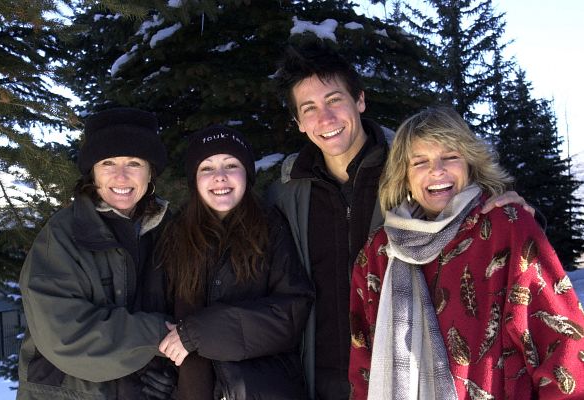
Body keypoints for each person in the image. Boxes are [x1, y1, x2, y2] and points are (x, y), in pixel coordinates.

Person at [268, 41, 535, 400]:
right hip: (320, 378)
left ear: (359, 100)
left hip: (413, 372)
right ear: (299, 123)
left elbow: (474, 214)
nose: (326, 119)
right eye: (309, 108)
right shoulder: (286, 195)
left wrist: (521, 214)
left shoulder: (415, 169)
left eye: (334, 100)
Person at [348, 106, 584, 399]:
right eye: (420, 162)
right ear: (403, 175)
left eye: (450, 157)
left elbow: (564, 346)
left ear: (471, 164)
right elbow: (363, 363)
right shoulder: (378, 253)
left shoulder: (507, 228)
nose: (437, 170)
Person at [17, 107, 175, 400]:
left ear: (151, 172)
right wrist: (163, 336)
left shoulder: (171, 232)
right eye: (108, 163)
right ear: (93, 172)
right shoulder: (61, 238)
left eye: (134, 163)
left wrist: (176, 372)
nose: (121, 176)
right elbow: (68, 337)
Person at [157, 125, 315, 399]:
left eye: (231, 165)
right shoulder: (174, 233)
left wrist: (198, 333)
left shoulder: (271, 227)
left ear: (246, 174)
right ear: (194, 178)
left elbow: (290, 313)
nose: (220, 177)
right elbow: (156, 313)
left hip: (259, 389)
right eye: (207, 168)